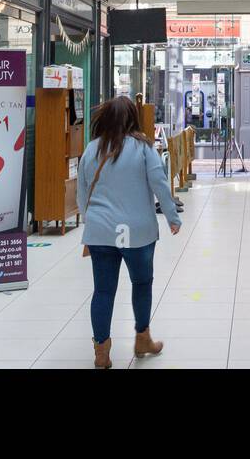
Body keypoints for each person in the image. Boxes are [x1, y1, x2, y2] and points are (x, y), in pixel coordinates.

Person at [77, 95, 181, 369]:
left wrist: (93, 221)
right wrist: (172, 217)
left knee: (103, 291)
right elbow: (159, 183)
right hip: (137, 232)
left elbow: (82, 192)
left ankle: (101, 353)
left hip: (100, 232)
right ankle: (142, 339)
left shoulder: (91, 149)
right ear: (133, 118)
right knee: (142, 283)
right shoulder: (144, 148)